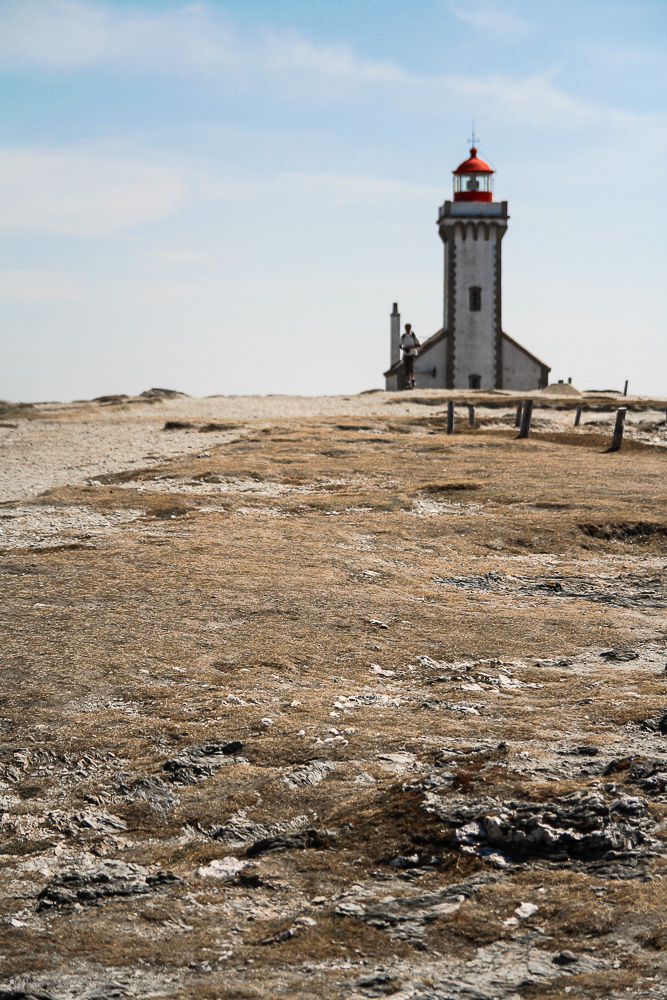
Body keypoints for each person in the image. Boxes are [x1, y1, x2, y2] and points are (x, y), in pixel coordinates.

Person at [400, 323, 420, 389]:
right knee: (406, 369)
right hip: (406, 354)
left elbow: (418, 345)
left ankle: (413, 380)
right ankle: (408, 382)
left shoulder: (413, 336)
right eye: (406, 328)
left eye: (409, 328)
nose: (408, 329)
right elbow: (400, 345)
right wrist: (404, 349)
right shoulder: (403, 336)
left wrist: (410, 347)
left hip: (412, 354)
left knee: (411, 367)